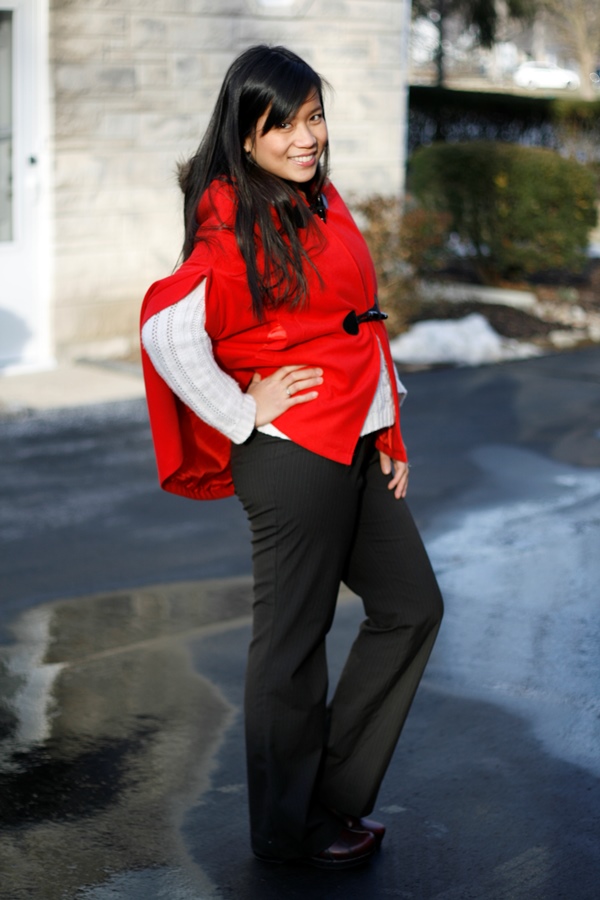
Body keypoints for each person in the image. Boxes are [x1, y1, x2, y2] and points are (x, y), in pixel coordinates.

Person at [140, 44, 443, 870]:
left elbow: (357, 325)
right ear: (246, 135)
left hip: (354, 440)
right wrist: (243, 412)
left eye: (314, 117)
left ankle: (325, 796)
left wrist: (388, 428)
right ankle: (286, 832)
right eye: (283, 125)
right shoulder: (233, 219)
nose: (306, 137)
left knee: (412, 605)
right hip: (292, 457)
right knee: (291, 649)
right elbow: (167, 329)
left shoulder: (317, 199)